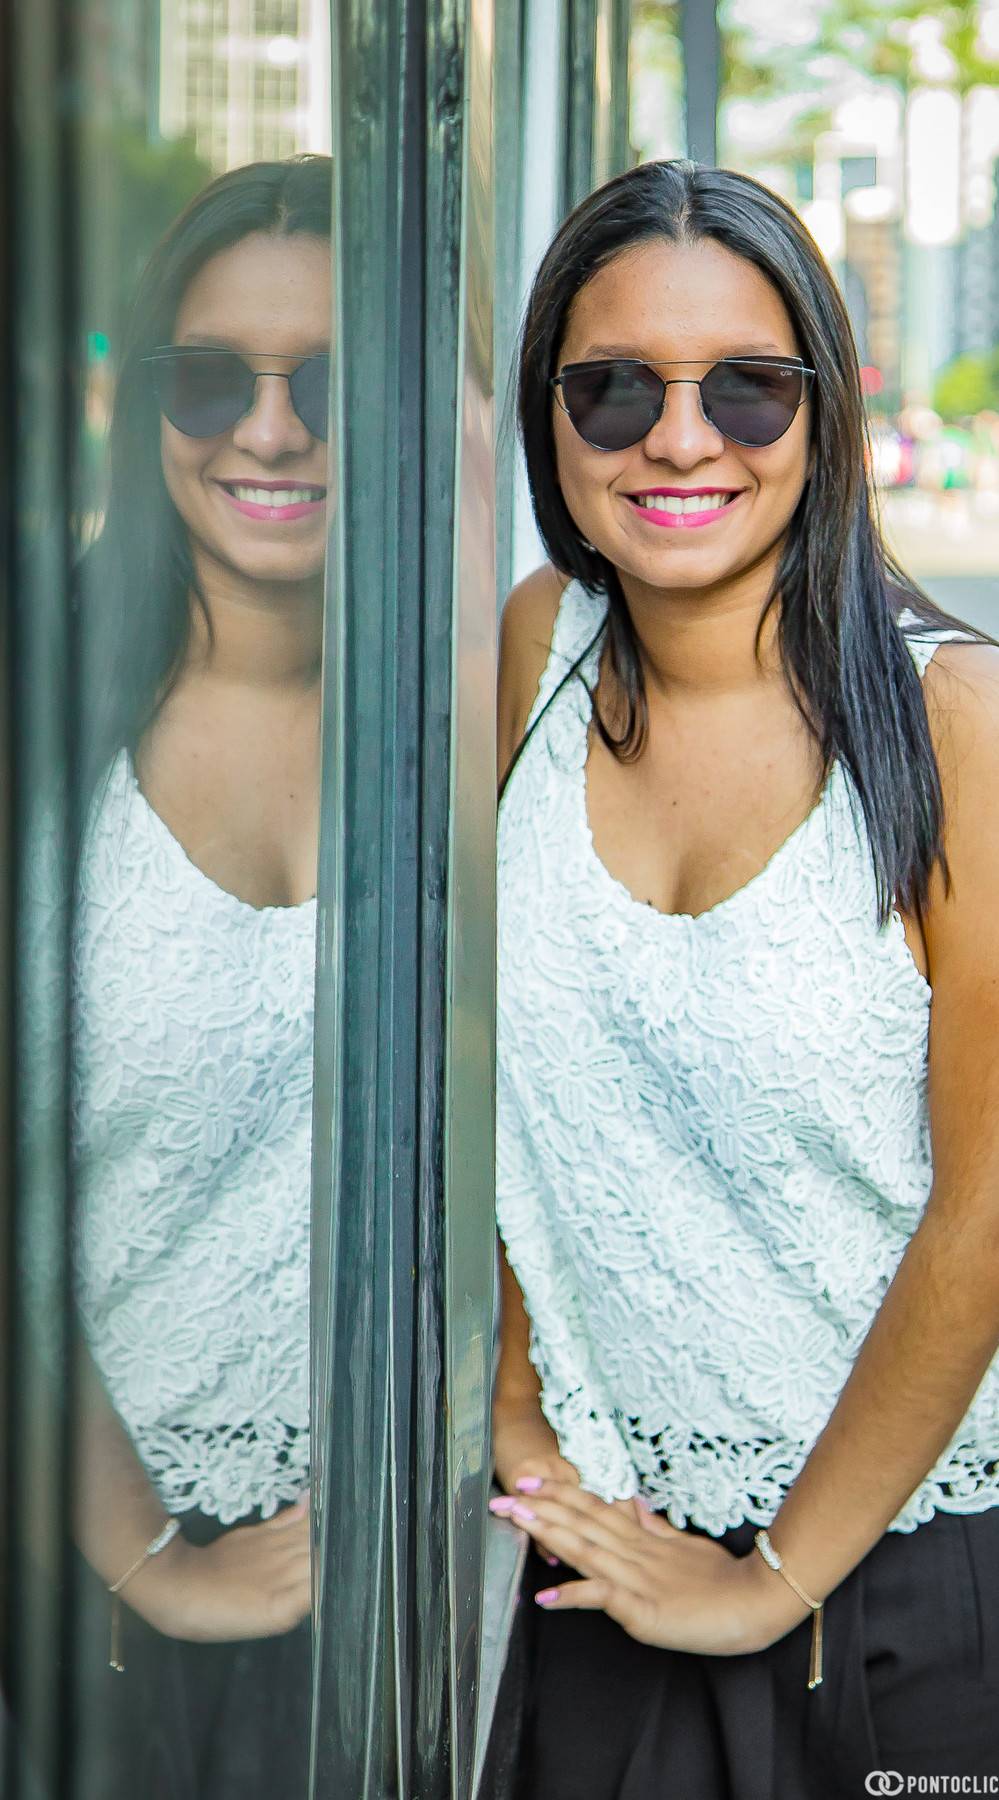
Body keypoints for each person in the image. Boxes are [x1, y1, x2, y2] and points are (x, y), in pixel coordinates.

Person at [490, 161, 999, 1794]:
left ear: (828, 409)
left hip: (941, 1562)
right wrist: (513, 1407)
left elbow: (996, 1212)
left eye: (748, 387)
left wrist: (770, 1585)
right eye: (613, 387)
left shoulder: (969, 724)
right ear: (549, 416)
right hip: (619, 1536)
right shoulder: (530, 652)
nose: (681, 434)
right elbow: (484, 1096)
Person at [69, 155, 330, 1798]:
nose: (269, 429)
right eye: (210, 375)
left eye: (329, 382)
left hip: (419, 1580)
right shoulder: (43, 707)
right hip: (94, 1585)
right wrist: (142, 1555)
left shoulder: (487, 703)